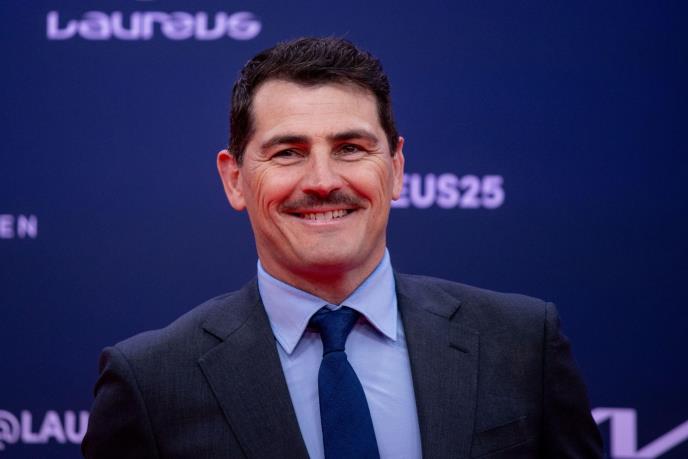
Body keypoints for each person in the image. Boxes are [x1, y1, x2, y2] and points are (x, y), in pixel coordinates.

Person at [82, 37, 603, 458]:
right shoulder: (152, 382)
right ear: (234, 179)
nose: (323, 180)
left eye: (351, 148)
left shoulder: (522, 343)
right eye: (288, 153)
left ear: (396, 168)